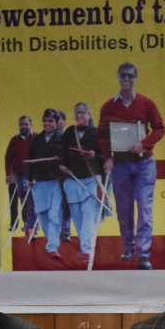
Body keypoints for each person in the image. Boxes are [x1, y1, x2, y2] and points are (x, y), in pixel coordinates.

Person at [97, 62, 165, 269]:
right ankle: (128, 247)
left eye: (131, 76)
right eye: (123, 76)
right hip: (120, 165)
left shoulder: (146, 103)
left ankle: (143, 254)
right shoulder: (108, 106)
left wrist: (144, 144)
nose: (127, 79)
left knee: (144, 208)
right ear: (118, 78)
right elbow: (101, 136)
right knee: (124, 209)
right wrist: (108, 157)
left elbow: (160, 129)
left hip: (144, 163)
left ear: (135, 78)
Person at [60, 102, 104, 265]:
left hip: (90, 180)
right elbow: (62, 153)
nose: (79, 116)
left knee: (88, 215)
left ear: (89, 115)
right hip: (72, 180)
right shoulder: (69, 132)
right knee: (77, 216)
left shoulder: (96, 133)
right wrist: (62, 166)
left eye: (83, 113)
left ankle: (86, 250)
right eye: (77, 113)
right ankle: (85, 248)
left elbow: (105, 156)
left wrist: (94, 155)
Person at [24, 108, 65, 260]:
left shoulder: (62, 138)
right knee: (42, 212)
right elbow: (31, 159)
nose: (47, 124)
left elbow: (66, 158)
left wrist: (62, 166)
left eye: (51, 121)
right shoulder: (37, 140)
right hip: (39, 181)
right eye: (45, 121)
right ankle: (51, 241)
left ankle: (53, 247)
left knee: (54, 213)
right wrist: (29, 178)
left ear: (56, 123)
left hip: (56, 180)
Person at [4, 114, 35, 236]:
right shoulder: (14, 140)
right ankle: (15, 223)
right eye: (21, 124)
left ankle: (28, 224)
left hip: (31, 175)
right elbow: (8, 157)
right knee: (15, 200)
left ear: (31, 125)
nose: (23, 126)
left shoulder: (36, 137)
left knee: (28, 200)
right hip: (17, 174)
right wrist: (8, 173)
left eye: (26, 124)